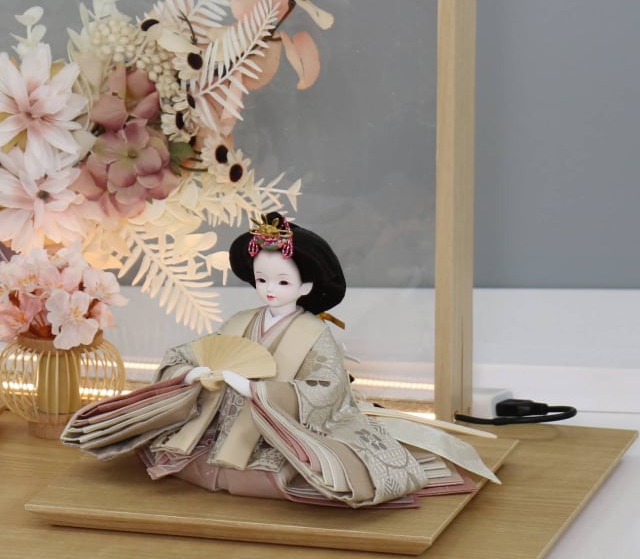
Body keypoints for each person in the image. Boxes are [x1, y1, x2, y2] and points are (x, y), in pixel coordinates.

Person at [65, 213, 494, 507]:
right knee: (171, 452)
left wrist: (258, 390)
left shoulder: (315, 333)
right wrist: (194, 372)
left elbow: (327, 389)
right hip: (221, 421)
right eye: (262, 279)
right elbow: (188, 353)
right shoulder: (240, 321)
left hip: (278, 430)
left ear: (305, 287)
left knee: (286, 473)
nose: (270, 289)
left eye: (283, 282)